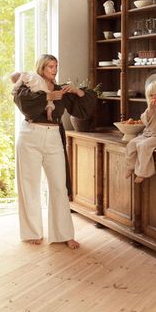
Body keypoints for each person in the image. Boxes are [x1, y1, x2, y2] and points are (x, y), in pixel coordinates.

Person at [12, 54, 97, 249]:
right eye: (50, 66)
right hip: (30, 136)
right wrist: (48, 97)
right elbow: (23, 103)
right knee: (29, 185)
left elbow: (83, 110)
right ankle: (32, 232)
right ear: (41, 68)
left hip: (53, 138)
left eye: (56, 66)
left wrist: (77, 91)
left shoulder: (62, 90)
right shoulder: (29, 85)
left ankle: (64, 234)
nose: (54, 69)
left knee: (59, 187)